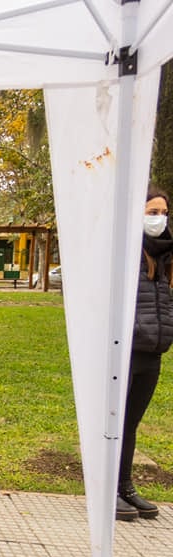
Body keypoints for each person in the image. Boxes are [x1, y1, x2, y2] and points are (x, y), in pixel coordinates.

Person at [116, 184, 173, 521]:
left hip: (153, 350)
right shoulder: (127, 252)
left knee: (131, 423)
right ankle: (107, 489)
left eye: (163, 213)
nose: (159, 219)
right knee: (115, 421)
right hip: (128, 349)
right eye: (152, 213)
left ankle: (125, 485)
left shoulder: (164, 256)